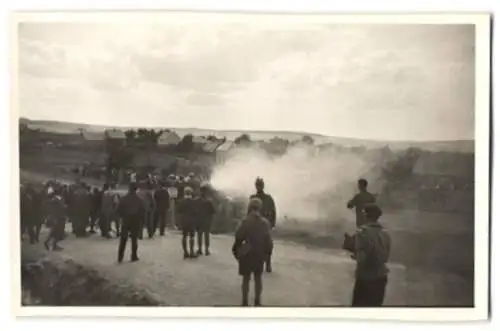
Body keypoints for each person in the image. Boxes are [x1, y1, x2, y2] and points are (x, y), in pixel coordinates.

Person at [232, 197, 273, 307]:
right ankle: (257, 301)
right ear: (260, 208)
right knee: (258, 278)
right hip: (259, 253)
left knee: (246, 278)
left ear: (250, 207)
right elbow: (268, 241)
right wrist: (267, 255)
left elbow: (238, 237)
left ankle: (244, 301)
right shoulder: (264, 223)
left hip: (247, 252)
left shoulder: (245, 221)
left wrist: (237, 250)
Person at [348, 205, 391, 307]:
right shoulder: (385, 234)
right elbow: (386, 257)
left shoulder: (362, 233)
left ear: (365, 215)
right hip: (381, 276)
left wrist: (352, 251)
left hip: (366, 277)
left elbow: (362, 259)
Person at [248, 177, 276, 273]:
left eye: (260, 185)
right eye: (258, 185)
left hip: (266, 224)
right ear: (256, 186)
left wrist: (272, 223)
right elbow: (249, 212)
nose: (259, 187)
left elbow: (273, 211)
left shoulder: (268, 198)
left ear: (263, 186)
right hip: (255, 224)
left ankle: (268, 264)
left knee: (268, 245)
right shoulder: (252, 198)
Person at [117, 183, 144, 263]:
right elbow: (142, 211)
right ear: (136, 189)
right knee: (134, 239)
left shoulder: (123, 199)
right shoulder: (140, 199)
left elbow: (119, 210)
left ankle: (120, 257)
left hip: (126, 219)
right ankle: (134, 256)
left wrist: (122, 216)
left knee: (123, 239)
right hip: (135, 220)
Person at [177, 186, 198, 259]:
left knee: (184, 236)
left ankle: (185, 252)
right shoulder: (194, 202)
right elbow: (196, 212)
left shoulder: (181, 202)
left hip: (183, 221)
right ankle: (192, 252)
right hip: (192, 221)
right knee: (192, 237)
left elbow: (178, 212)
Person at [195, 184, 216, 256]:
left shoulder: (197, 200)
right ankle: (206, 250)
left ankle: (200, 249)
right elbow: (213, 211)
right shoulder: (209, 201)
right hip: (207, 220)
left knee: (199, 235)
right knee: (206, 235)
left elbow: (194, 210)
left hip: (199, 220)